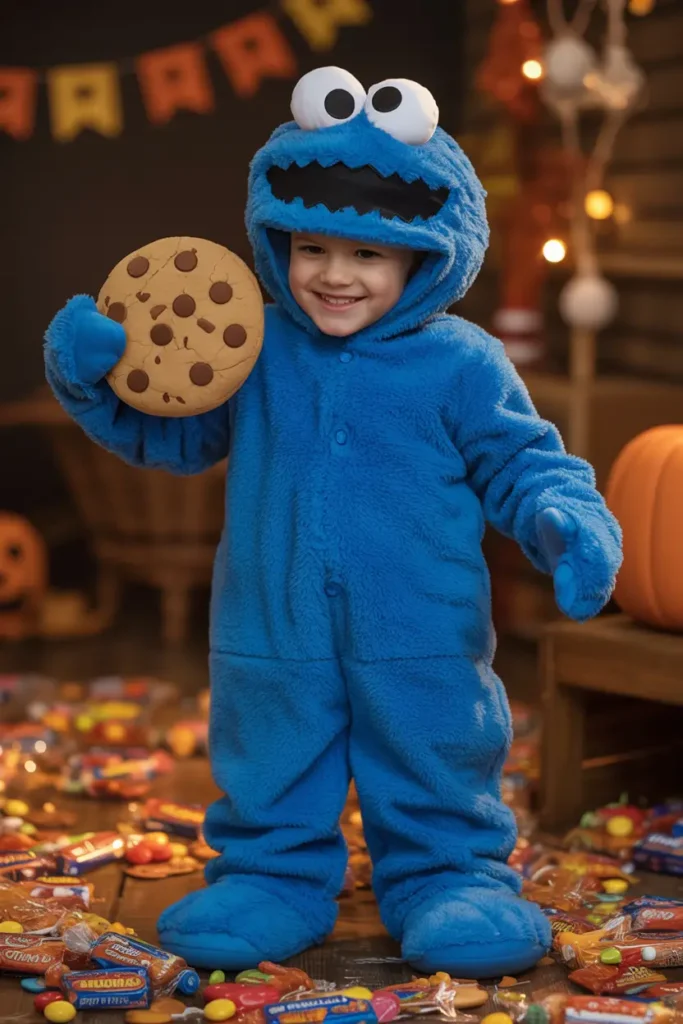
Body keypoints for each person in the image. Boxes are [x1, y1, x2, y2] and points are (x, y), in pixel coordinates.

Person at [44, 67, 622, 976]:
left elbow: (521, 460)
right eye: (313, 248)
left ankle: (449, 879)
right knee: (270, 759)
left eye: (368, 256)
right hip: (271, 624)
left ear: (423, 258)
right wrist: (95, 382)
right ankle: (273, 879)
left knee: (435, 753)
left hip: (421, 626)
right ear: (278, 243)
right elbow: (179, 438)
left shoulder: (461, 362)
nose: (334, 276)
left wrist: (564, 519)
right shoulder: (257, 346)